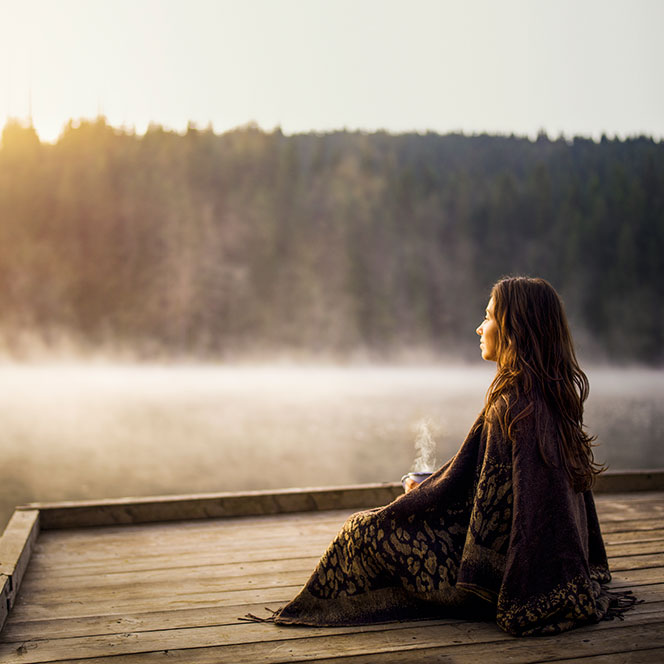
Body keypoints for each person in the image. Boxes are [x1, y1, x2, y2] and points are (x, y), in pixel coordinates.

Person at [247, 276, 637, 636]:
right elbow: (499, 496)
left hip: (496, 579)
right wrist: (429, 487)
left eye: (487, 317)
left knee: (359, 532)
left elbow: (489, 515)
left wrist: (422, 498)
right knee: (399, 508)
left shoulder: (512, 407)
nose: (479, 328)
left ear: (514, 330)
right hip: (542, 566)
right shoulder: (549, 400)